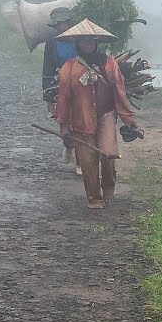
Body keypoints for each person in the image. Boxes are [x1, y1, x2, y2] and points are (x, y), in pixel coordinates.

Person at [54, 20, 140, 209]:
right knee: (87, 160)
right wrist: (63, 126)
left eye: (91, 41)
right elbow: (64, 98)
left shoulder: (108, 63)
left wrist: (128, 119)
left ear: (96, 43)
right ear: (78, 44)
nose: (87, 44)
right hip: (80, 120)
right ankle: (94, 198)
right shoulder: (69, 67)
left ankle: (108, 188)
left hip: (106, 116)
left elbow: (119, 91)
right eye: (84, 41)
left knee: (108, 155)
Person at [41, 7, 80, 174]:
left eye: (62, 23)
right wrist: (48, 95)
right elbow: (47, 69)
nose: (60, 27)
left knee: (82, 122)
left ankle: (81, 160)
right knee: (65, 122)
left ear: (69, 23)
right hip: (60, 86)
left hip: (81, 85)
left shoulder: (80, 39)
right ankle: (68, 146)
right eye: (56, 24)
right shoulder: (52, 43)